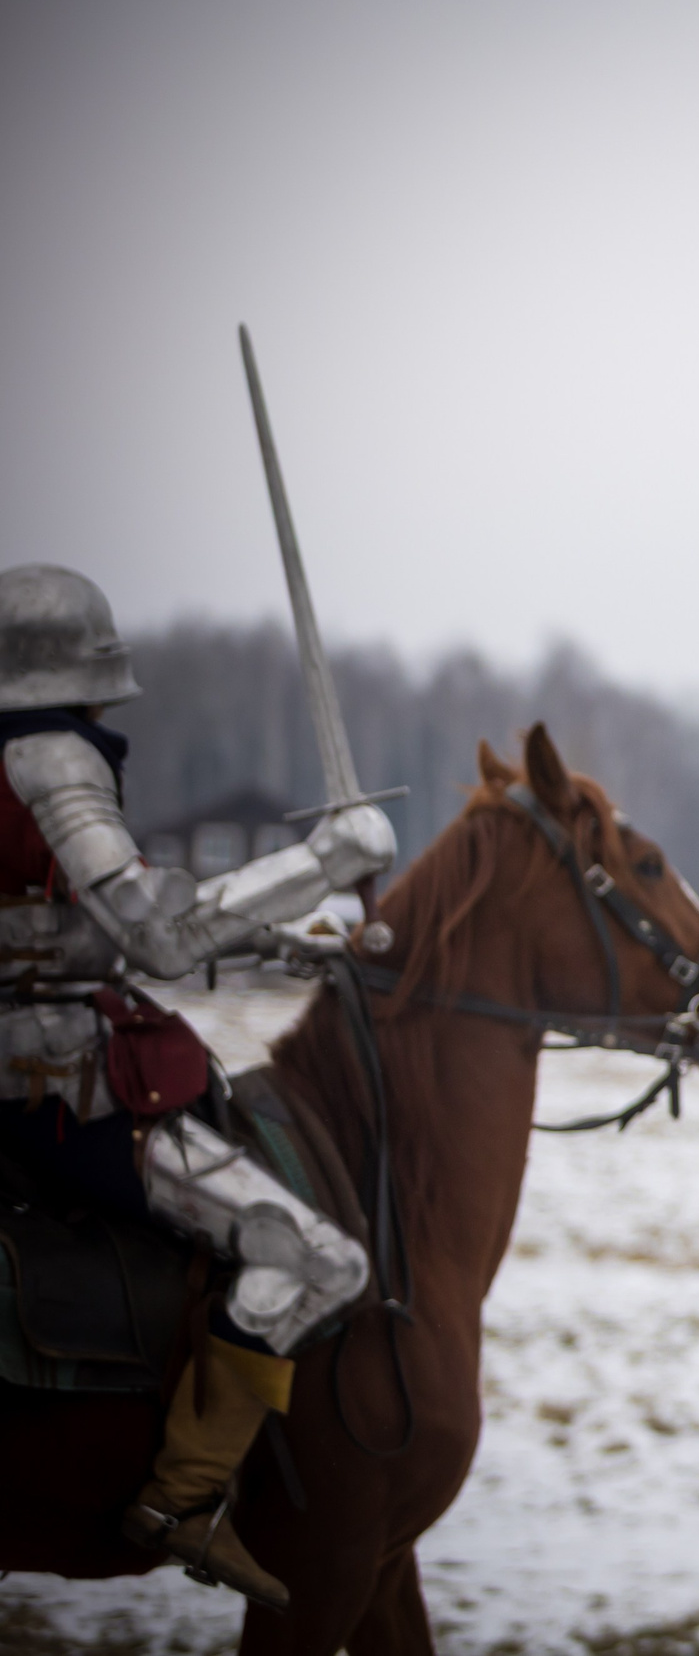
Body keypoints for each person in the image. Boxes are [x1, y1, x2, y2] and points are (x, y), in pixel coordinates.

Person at [0, 563, 392, 1608]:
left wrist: (279, 937)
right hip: (61, 1087)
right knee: (316, 1257)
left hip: (44, 1053)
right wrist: (321, 857)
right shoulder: (51, 757)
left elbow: (68, 937)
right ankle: (180, 1496)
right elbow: (159, 934)